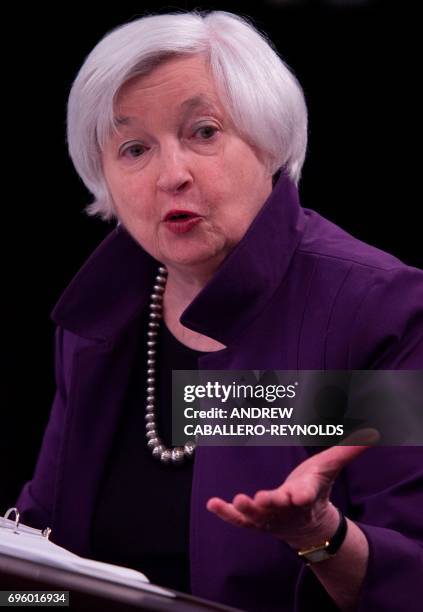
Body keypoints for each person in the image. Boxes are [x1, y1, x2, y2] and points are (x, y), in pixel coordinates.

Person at [16, 10, 422, 612]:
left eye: (204, 132)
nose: (171, 176)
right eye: (134, 148)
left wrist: (321, 537)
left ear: (269, 142)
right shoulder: (101, 317)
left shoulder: (373, 307)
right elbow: (43, 562)